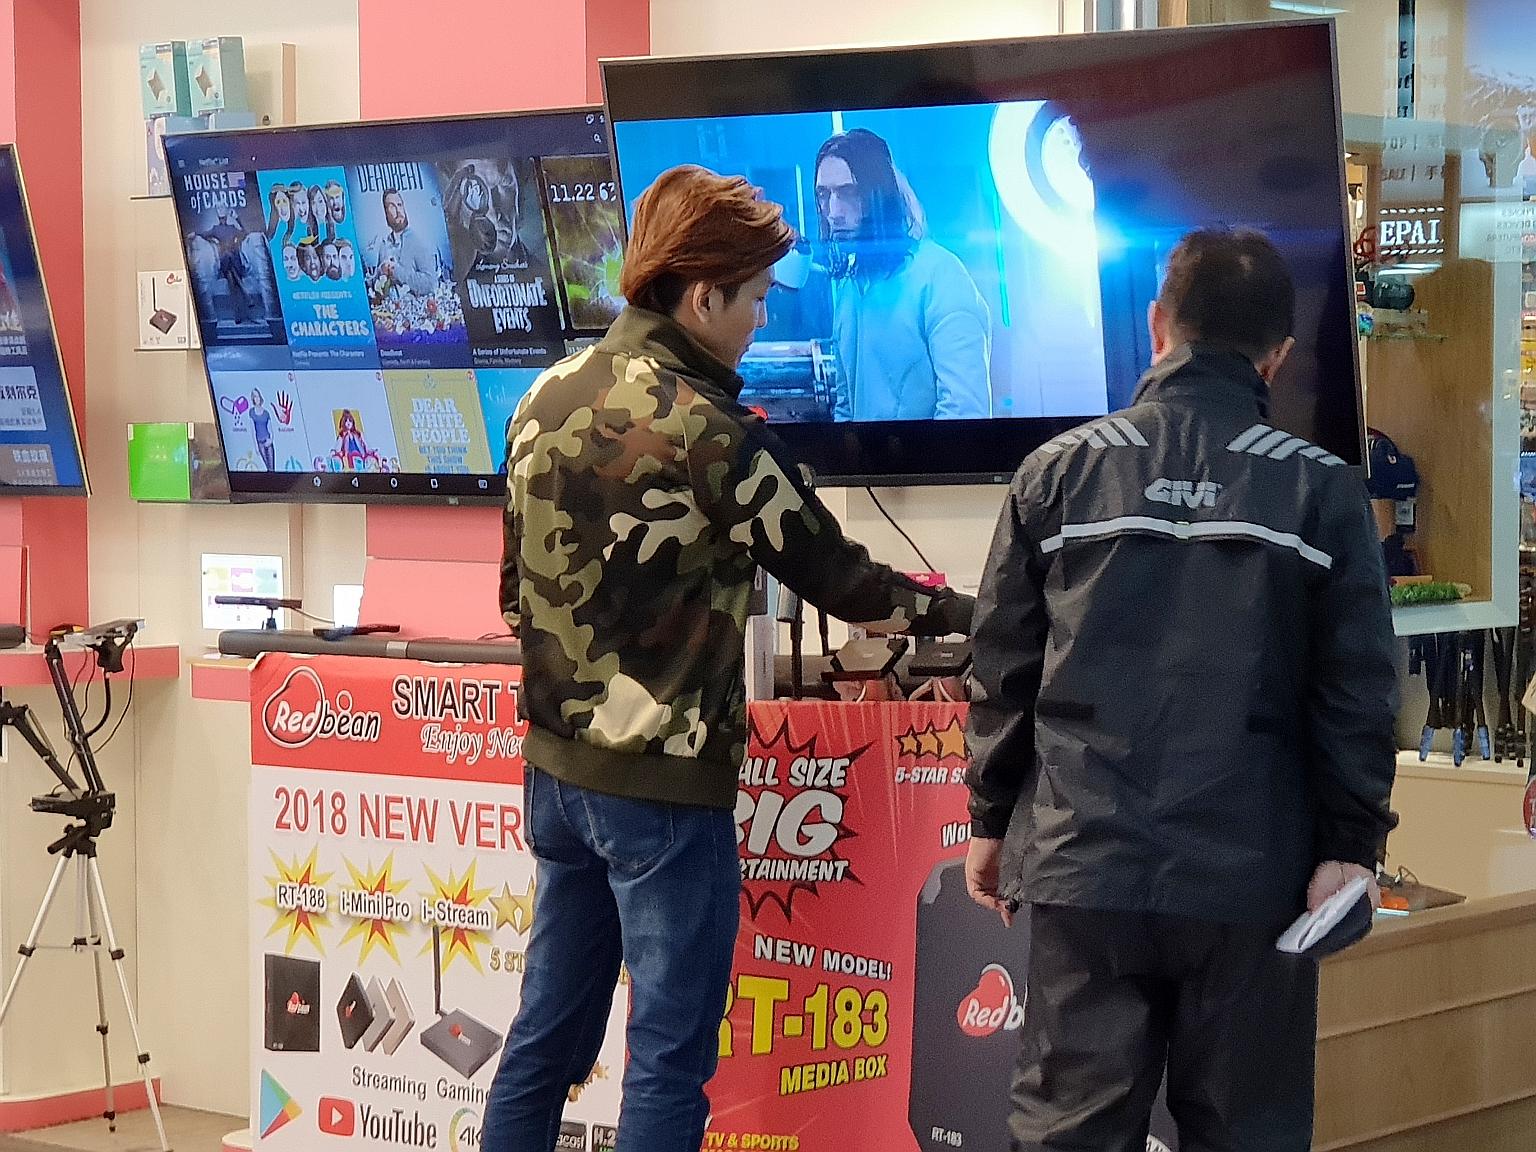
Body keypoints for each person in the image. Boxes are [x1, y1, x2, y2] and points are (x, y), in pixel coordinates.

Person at [484, 164, 974, 1152]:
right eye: (753, 297)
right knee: (668, 1059)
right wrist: (971, 612)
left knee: (542, 1038)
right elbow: (844, 582)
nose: (762, 319)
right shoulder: (713, 434)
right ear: (702, 296)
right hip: (665, 795)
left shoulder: (543, 394)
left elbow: (512, 591)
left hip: (555, 777)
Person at [963, 228, 1398, 1152]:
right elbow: (1356, 692)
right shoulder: (1322, 493)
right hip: (1254, 873)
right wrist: (1349, 846)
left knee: (1069, 1133)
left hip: (1085, 861)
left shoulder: (1057, 472)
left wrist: (991, 821)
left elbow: (1003, 668)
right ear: (1277, 356)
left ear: (1159, 326)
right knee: (1246, 1132)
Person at [813, 128, 991, 421]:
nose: (833, 212)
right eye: (824, 194)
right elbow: (845, 408)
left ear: (878, 194)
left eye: (848, 193)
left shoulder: (940, 275)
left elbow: (965, 412)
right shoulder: (850, 288)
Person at [366, 188, 438, 297]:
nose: (398, 211)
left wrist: (396, 271)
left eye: (399, 205)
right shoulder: (384, 244)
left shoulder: (417, 242)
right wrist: (381, 271)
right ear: (386, 213)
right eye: (392, 207)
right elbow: (376, 288)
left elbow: (430, 283)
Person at [249, 388, 275, 471]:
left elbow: (270, 429)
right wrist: (256, 446)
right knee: (267, 466)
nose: (257, 399)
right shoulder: (252, 412)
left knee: (272, 467)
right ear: (253, 399)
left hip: (267, 441)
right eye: (255, 397)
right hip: (260, 443)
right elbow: (253, 431)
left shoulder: (266, 413)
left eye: (258, 396)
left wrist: (271, 440)